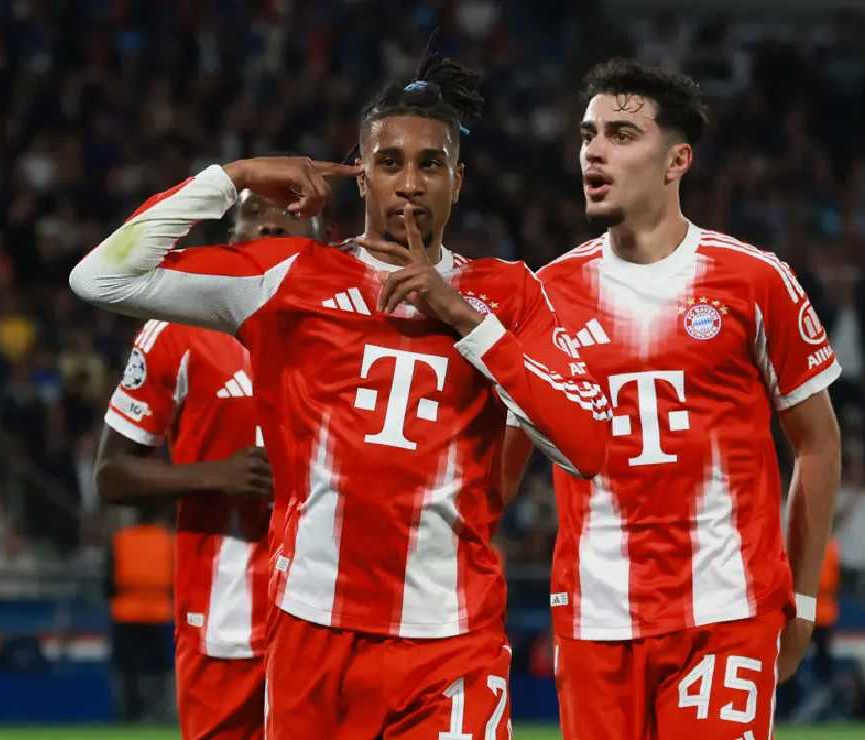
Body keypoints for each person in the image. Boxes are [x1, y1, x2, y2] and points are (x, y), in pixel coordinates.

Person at [70, 49, 610, 738]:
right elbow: (100, 278)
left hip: (453, 641)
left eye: (430, 164)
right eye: (389, 163)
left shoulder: (508, 292)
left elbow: (587, 447)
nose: (409, 184)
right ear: (362, 176)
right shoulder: (289, 276)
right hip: (313, 635)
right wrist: (233, 176)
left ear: (458, 180)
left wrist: (466, 319)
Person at [527, 58, 841, 739]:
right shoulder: (545, 295)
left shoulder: (755, 280)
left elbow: (818, 442)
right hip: (594, 616)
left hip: (727, 610)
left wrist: (803, 598)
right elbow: (501, 452)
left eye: (621, 134)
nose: (594, 151)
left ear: (677, 160)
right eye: (587, 135)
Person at [95, 191, 324, 739]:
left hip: (330, 616)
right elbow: (111, 474)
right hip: (226, 620)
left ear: (324, 243)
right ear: (230, 240)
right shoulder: (177, 331)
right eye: (255, 214)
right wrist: (214, 475)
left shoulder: (360, 332)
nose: (272, 225)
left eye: (292, 216)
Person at [106, 508, 174, 724]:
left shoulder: (120, 540)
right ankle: (157, 713)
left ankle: (128, 714)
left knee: (127, 668)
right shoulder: (168, 540)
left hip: (125, 613)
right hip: (159, 613)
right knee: (158, 668)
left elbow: (107, 582)